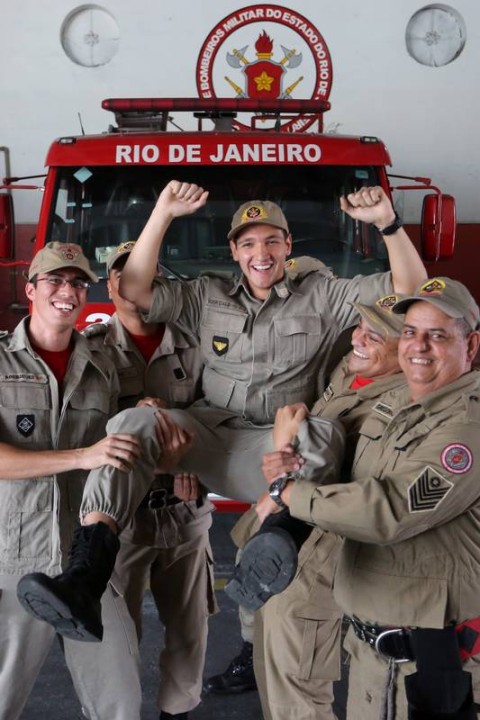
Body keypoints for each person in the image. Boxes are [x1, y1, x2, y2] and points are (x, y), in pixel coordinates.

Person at [16, 180, 427, 642]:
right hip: (207, 437)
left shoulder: (324, 295)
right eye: (249, 242)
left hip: (274, 449)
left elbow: (412, 293)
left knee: (324, 434)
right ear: (234, 251)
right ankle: (85, 577)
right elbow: (132, 289)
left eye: (273, 240)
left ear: (288, 246)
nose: (262, 252)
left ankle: (275, 545)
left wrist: (388, 225)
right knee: (132, 422)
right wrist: (163, 213)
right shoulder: (205, 295)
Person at [265, 277, 480, 719]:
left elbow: (392, 509)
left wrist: (290, 493)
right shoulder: (397, 400)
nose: (418, 347)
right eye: (409, 332)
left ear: (471, 345)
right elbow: (351, 478)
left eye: (437, 335)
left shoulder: (467, 427)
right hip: (369, 651)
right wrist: (291, 466)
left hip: (433, 664)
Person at [0, 242, 142, 720]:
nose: (68, 292)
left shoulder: (105, 367)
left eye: (78, 283)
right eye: (55, 281)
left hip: (88, 562)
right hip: (14, 559)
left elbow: (125, 447)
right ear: (31, 289)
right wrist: (83, 455)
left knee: (121, 702)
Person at [85, 241, 217, 720]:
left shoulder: (196, 342)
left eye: (144, 275)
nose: (131, 285)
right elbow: (83, 428)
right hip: (123, 521)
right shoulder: (92, 349)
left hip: (185, 512)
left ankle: (177, 714)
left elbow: (221, 416)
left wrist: (194, 464)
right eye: (120, 276)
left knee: (190, 634)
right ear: (110, 284)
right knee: (118, 640)